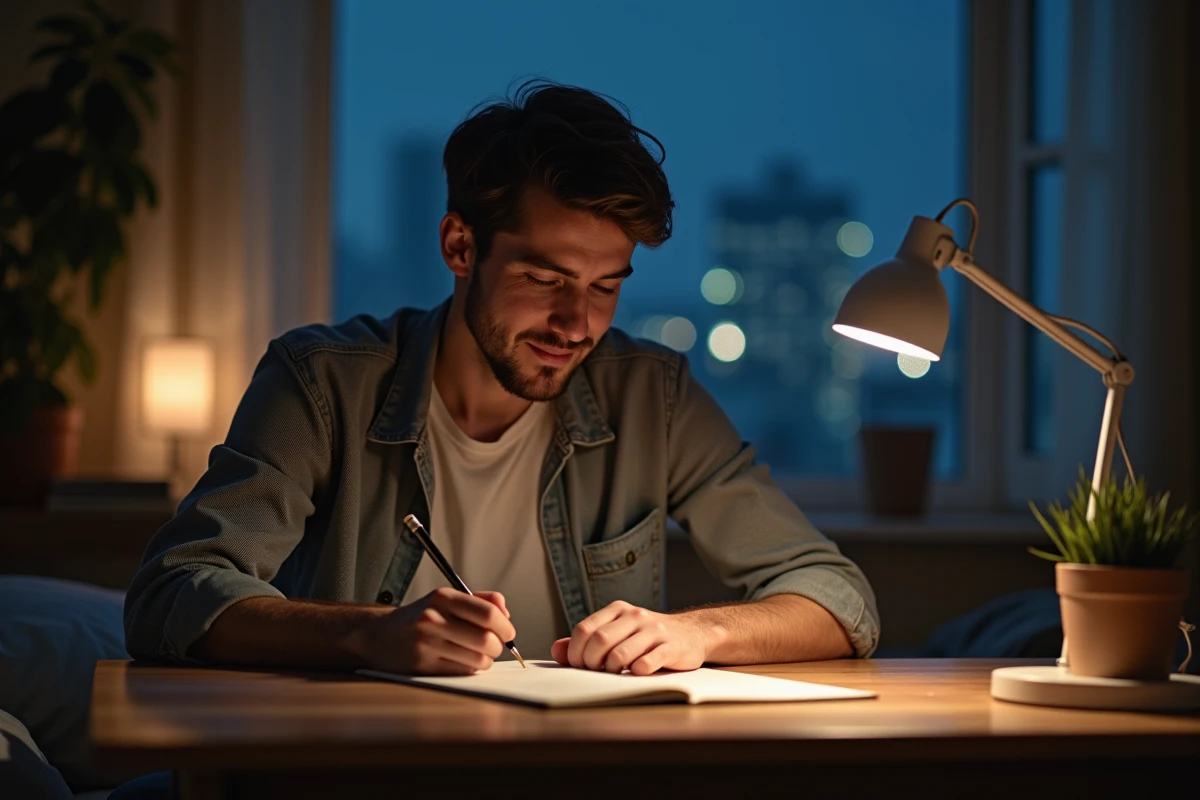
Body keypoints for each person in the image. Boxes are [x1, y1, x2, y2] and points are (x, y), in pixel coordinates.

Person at [124, 80, 879, 678]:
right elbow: (174, 590)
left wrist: (697, 631)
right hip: (357, 765)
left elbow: (840, 601)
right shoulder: (321, 384)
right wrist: (371, 635)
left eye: (606, 286)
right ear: (460, 245)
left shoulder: (656, 397)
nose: (577, 323)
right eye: (544, 278)